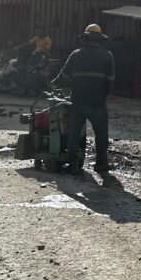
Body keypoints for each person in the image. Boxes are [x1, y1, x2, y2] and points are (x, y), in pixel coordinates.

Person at [53, 24, 115, 174]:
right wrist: (102, 97)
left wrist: (55, 83)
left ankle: (73, 165)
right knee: (101, 134)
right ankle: (101, 163)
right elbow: (110, 81)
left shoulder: (76, 54)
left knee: (73, 134)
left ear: (85, 39)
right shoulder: (108, 56)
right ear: (100, 40)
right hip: (97, 102)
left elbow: (64, 76)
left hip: (78, 101)